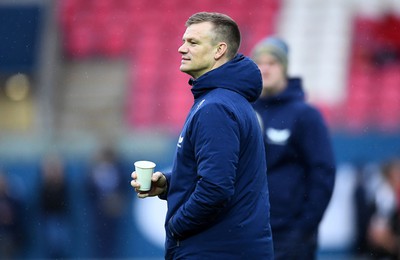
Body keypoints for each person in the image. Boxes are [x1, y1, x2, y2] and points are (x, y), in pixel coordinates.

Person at [131, 12, 274, 259]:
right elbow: (221, 173)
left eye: (192, 42)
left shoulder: (216, 107)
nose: (181, 48)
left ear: (219, 50)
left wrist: (177, 227)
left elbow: (216, 188)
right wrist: (168, 184)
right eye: (184, 40)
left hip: (214, 251)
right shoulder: (224, 100)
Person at [251, 36, 336, 259]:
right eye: (259, 62)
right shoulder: (244, 110)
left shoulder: (305, 115)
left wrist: (303, 228)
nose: (265, 68)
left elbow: (323, 173)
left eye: (272, 62)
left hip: (289, 234)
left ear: (285, 68)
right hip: (247, 231)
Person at [367, 158, 400, 259]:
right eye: (397, 175)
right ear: (390, 177)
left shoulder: (393, 195)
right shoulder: (385, 196)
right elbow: (376, 235)